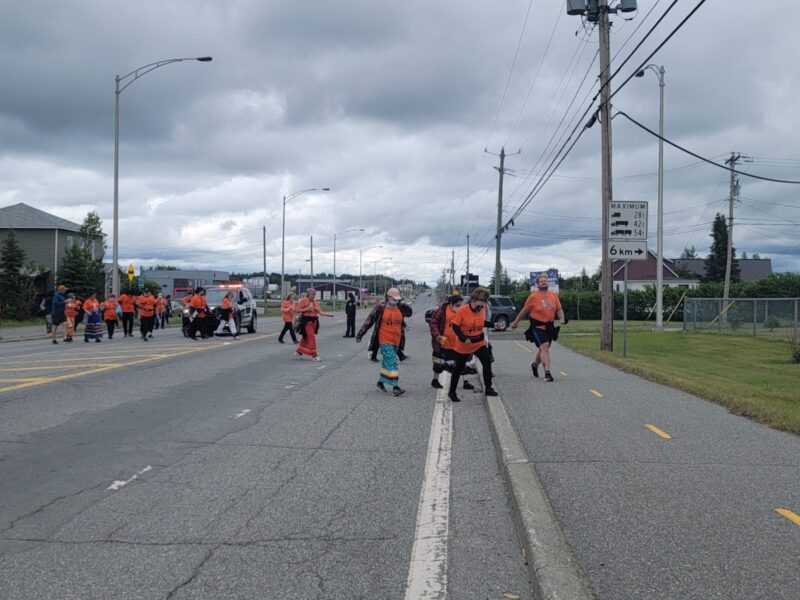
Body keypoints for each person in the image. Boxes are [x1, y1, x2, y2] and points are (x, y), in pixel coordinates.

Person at [356, 288, 413, 396]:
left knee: (387, 362)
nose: (396, 301)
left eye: (398, 299)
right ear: (388, 297)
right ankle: (395, 387)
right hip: (384, 339)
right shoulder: (381, 307)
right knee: (392, 361)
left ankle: (380, 383)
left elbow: (409, 313)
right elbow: (369, 320)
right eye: (394, 298)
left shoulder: (399, 307)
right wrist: (360, 334)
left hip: (396, 339)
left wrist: (404, 304)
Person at [511, 274, 565, 382]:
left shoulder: (553, 295)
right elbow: (524, 310)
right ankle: (547, 373)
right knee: (544, 346)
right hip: (537, 326)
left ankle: (535, 365)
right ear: (538, 284)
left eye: (545, 281)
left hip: (549, 327)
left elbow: (559, 309)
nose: (544, 282)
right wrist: (516, 322)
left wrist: (562, 318)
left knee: (543, 349)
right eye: (541, 281)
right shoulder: (533, 297)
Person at [448, 287, 498, 402]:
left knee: (487, 362)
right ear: (473, 301)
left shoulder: (481, 310)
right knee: (458, 368)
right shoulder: (462, 310)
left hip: (478, 342)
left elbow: (482, 322)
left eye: (482, 306)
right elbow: (455, 326)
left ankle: (488, 388)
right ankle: (452, 392)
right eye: (478, 306)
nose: (480, 308)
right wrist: (463, 338)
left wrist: (493, 325)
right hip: (464, 344)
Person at [428, 290, 474, 391]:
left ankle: (466, 382)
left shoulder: (463, 311)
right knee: (438, 361)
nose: (459, 306)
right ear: (451, 303)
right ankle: (435, 380)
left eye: (460, 304)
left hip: (459, 342)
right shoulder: (443, 309)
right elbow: (434, 322)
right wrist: (436, 336)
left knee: (464, 361)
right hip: (443, 342)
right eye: (457, 304)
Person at [295, 288, 333, 361]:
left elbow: (320, 312)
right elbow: (297, 310)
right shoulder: (303, 300)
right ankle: (314, 355)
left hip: (314, 322)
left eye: (314, 294)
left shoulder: (315, 301)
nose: (313, 296)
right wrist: (307, 309)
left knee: (305, 337)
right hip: (306, 321)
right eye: (312, 294)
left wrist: (329, 315)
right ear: (308, 294)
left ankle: (299, 351)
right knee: (311, 337)